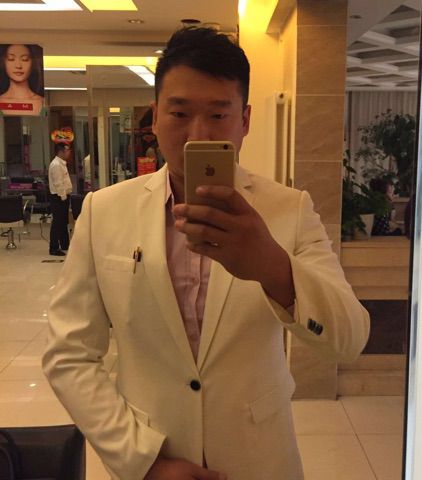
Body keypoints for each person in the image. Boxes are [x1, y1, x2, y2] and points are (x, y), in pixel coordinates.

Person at [42, 28, 370, 480]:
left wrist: (274, 268)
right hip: (150, 458)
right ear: (155, 118)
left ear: (245, 120)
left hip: (260, 461)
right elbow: (69, 355)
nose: (197, 134)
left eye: (218, 114)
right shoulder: (104, 211)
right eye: (179, 113)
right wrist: (143, 461)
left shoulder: (289, 209)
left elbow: (349, 340)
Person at [0, 44, 44, 116]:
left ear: (33, 63)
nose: (18, 66)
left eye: (25, 59)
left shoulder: (43, 102)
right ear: (3, 62)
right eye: (11, 59)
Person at [48, 142, 72, 256]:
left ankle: (64, 244)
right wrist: (63, 197)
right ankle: (54, 248)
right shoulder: (56, 165)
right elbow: (58, 183)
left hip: (63, 196)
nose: (69, 152)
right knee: (57, 222)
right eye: (67, 150)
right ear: (61, 151)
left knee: (63, 221)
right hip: (58, 197)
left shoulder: (62, 163)